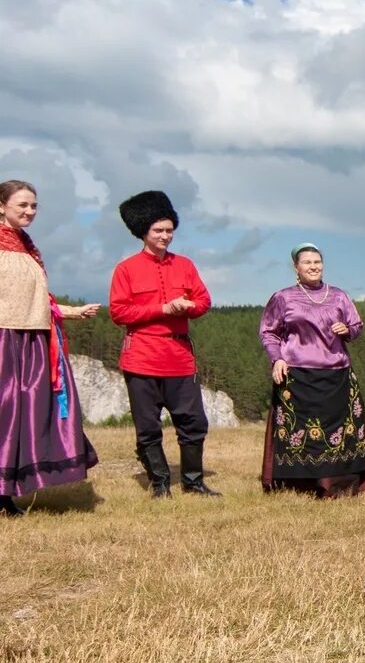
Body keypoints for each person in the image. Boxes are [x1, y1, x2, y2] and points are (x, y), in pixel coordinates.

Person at [109, 190, 220, 499]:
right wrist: (162, 309)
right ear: (143, 232)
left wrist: (187, 307)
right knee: (147, 426)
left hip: (180, 357)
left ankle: (194, 483)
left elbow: (203, 301)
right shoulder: (126, 269)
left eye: (169, 230)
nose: (165, 236)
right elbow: (119, 312)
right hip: (141, 357)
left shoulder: (185, 265)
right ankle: (160, 484)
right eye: (158, 230)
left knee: (194, 421)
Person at [0, 180, 99, 516]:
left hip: (32, 338)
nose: (30, 212)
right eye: (22, 206)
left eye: (34, 206)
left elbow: (37, 298)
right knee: (4, 410)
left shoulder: (27, 246)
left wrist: (70, 312)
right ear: (1, 206)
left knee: (22, 415)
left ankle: (6, 492)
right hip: (3, 338)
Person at [259, 242, 365, 498]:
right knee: (300, 433)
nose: (313, 266)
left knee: (339, 431)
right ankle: (300, 486)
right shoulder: (283, 297)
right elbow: (269, 332)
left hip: (337, 373)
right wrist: (276, 359)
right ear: (296, 268)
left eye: (317, 262)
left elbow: (357, 325)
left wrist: (348, 330)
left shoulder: (339, 296)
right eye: (307, 263)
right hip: (297, 376)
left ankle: (339, 484)